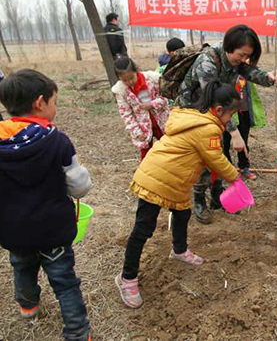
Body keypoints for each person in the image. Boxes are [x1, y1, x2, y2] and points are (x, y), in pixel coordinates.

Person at [115, 80, 242, 308]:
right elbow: (216, 160)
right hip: (158, 180)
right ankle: (127, 277)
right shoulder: (209, 128)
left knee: (182, 213)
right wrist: (235, 176)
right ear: (220, 110)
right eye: (230, 115)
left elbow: (208, 156)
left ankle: (180, 250)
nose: (229, 121)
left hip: (174, 180)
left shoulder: (194, 117)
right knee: (143, 229)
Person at [0, 69, 93, 341]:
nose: (56, 106)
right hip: (52, 230)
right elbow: (79, 186)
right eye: (54, 101)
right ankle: (77, 331)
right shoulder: (57, 141)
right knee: (64, 282)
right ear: (39, 103)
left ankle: (28, 306)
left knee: (22, 266)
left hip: (12, 229)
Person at [176, 24, 277, 224]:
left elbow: (250, 72)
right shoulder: (207, 62)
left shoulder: (236, 60)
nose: (243, 60)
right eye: (241, 55)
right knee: (204, 158)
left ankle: (217, 196)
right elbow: (214, 100)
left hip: (216, 115)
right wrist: (234, 132)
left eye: (247, 56)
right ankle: (199, 201)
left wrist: (268, 77)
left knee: (219, 154)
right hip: (195, 114)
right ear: (229, 47)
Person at [112, 56, 170, 161]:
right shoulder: (121, 91)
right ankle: (147, 173)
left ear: (137, 71)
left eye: (131, 78)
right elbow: (126, 114)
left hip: (161, 120)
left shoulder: (153, 79)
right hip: (142, 125)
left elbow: (165, 97)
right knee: (146, 155)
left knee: (169, 147)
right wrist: (136, 131)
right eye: (125, 80)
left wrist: (152, 104)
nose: (129, 82)